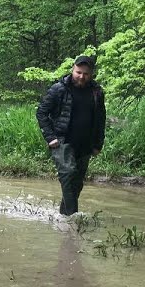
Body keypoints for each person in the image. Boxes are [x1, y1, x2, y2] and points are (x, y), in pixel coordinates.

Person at [36, 55, 107, 217]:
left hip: (85, 144)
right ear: (73, 69)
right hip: (62, 142)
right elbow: (41, 112)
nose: (81, 77)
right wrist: (50, 137)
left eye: (86, 74)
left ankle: (63, 217)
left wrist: (98, 144)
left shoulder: (97, 92)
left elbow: (101, 119)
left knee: (76, 184)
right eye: (78, 72)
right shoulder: (58, 89)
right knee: (67, 174)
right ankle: (73, 219)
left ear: (92, 74)